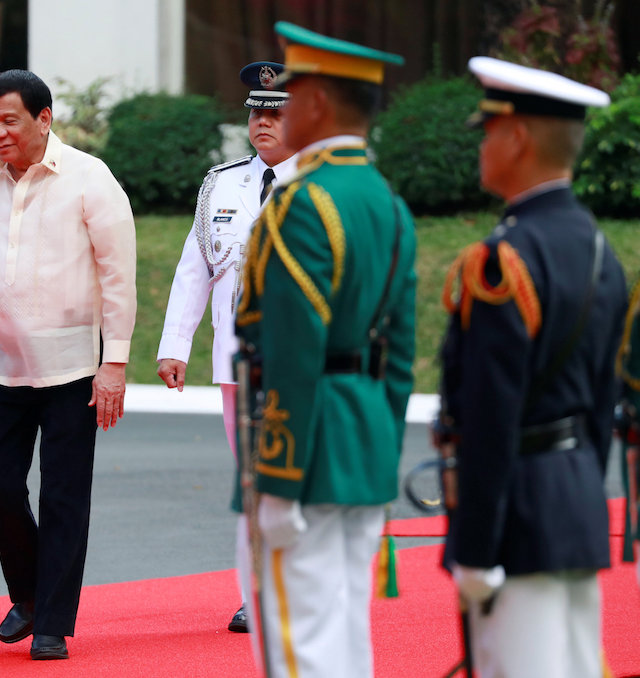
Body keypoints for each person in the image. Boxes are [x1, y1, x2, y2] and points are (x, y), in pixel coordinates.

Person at [233, 22, 416, 678]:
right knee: (344, 630)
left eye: (291, 93)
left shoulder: (300, 203)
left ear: (313, 104)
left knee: (298, 642)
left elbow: (292, 346)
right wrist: (382, 446)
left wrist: (277, 480)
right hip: (362, 440)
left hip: (305, 453)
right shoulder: (391, 205)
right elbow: (400, 353)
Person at [438, 57, 625, 678]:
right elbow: (602, 410)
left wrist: (473, 549)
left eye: (487, 131)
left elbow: (491, 417)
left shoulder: (502, 261)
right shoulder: (601, 251)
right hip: (573, 509)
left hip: (514, 521)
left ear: (517, 137)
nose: (482, 146)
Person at [0, 69, 137, 661]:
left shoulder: (89, 178)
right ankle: (27, 594)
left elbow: (118, 278)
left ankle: (52, 621)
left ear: (43, 119)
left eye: (10, 121)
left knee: (63, 496)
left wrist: (116, 364)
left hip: (75, 368)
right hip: (1, 366)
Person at [156, 60, 297, 634]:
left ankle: (294, 590)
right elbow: (196, 270)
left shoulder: (320, 183)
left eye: (276, 111)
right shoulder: (223, 182)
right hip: (236, 358)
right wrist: (175, 344)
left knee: (293, 480)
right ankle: (256, 594)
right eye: (258, 111)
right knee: (252, 481)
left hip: (297, 361)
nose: (263, 121)